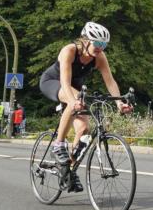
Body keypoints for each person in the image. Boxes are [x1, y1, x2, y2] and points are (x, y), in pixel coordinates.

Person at [39, 22, 132, 192]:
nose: (100, 48)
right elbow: (65, 82)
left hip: (75, 90)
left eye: (104, 45)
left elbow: (110, 82)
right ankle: (58, 145)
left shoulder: (99, 57)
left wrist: (119, 102)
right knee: (73, 100)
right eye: (97, 43)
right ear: (85, 40)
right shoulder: (69, 51)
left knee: (83, 129)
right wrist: (72, 100)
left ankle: (69, 169)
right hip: (54, 82)